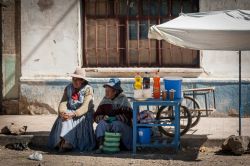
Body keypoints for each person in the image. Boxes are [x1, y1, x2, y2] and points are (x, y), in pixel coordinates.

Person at [48, 67, 96, 152]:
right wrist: (62, 112)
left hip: (84, 114)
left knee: (72, 118)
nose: (75, 81)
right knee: (63, 118)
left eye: (78, 80)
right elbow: (63, 102)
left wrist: (74, 114)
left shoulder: (88, 89)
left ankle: (67, 142)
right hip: (71, 111)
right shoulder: (68, 88)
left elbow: (85, 107)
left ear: (82, 81)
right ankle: (62, 141)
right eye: (74, 79)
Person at [94, 78, 133, 153]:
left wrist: (116, 118)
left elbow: (129, 116)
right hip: (108, 125)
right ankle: (101, 145)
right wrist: (103, 117)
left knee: (116, 124)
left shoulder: (123, 99)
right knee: (102, 124)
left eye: (108, 91)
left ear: (115, 91)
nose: (106, 93)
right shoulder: (105, 100)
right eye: (106, 91)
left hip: (123, 129)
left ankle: (119, 145)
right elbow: (96, 116)